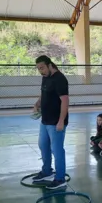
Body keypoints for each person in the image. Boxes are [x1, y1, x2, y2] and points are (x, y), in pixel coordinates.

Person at [30, 56, 70, 190]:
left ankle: (60, 178)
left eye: (42, 68)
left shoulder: (60, 79)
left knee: (57, 150)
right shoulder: (45, 77)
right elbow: (44, 92)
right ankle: (47, 171)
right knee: (43, 145)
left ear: (49, 65)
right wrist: (38, 102)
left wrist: (61, 121)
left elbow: (65, 101)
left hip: (56, 122)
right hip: (45, 120)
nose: (40, 71)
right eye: (38, 69)